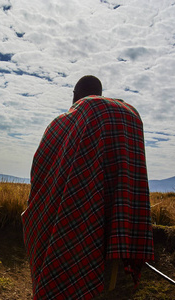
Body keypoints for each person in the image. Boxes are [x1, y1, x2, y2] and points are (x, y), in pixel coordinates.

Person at [22, 75, 154, 300]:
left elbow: (40, 170)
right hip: (119, 219)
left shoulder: (64, 122)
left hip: (74, 216)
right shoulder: (129, 116)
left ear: (75, 95)